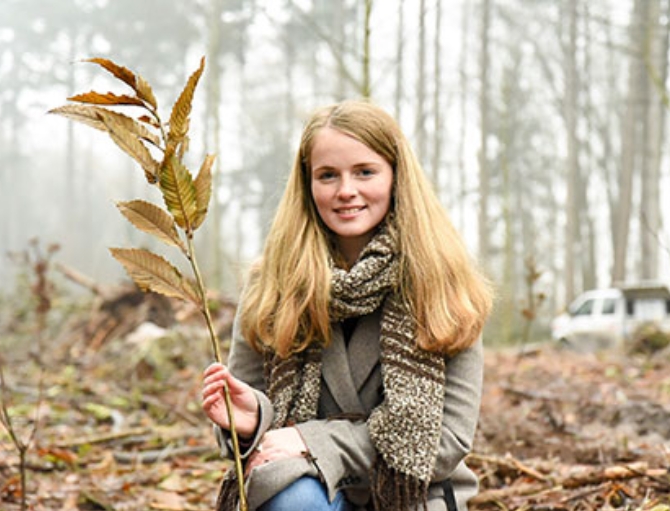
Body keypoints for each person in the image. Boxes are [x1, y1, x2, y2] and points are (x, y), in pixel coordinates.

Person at [201, 99, 493, 511]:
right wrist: (250, 424)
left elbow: (446, 441)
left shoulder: (443, 279)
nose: (346, 191)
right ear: (308, 185)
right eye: (327, 175)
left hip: (415, 496)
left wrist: (312, 440)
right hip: (311, 490)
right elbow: (255, 438)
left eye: (365, 172)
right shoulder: (272, 283)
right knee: (293, 502)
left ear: (396, 176)